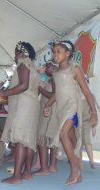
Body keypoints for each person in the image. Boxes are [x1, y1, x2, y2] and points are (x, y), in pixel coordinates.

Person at [44, 40, 98, 185]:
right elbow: (57, 93)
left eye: (58, 52)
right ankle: (78, 164)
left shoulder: (75, 69)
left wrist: (93, 112)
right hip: (61, 108)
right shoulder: (56, 72)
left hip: (72, 106)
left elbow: (86, 92)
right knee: (72, 139)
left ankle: (74, 169)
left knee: (62, 134)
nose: (55, 54)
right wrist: (48, 105)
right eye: (53, 52)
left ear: (67, 54)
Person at [0, 41, 40, 184]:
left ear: (21, 53)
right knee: (28, 140)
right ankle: (27, 173)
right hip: (32, 105)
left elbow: (23, 86)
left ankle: (16, 176)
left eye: (16, 52)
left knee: (20, 139)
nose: (14, 55)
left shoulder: (23, 64)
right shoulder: (32, 66)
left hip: (25, 105)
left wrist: (4, 92)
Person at [34, 61, 59, 176]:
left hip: (49, 111)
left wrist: (41, 89)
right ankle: (52, 166)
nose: (45, 68)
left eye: (47, 66)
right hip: (52, 111)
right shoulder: (54, 78)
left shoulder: (54, 79)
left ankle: (44, 168)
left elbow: (54, 95)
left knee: (42, 138)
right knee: (52, 138)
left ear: (54, 67)